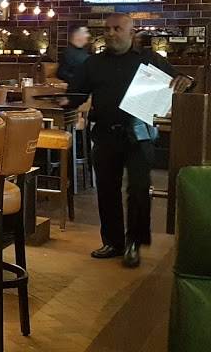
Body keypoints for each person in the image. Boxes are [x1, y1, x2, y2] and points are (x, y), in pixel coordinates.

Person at [63, 14, 192, 268]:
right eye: (107, 29)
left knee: (139, 189)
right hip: (104, 133)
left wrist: (186, 80)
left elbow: (181, 80)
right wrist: (62, 101)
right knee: (107, 189)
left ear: (131, 33)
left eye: (117, 29)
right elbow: (76, 95)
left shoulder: (149, 59)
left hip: (139, 135)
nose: (111, 33)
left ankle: (134, 242)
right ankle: (113, 242)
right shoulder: (93, 63)